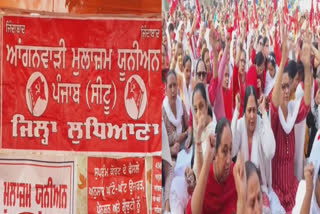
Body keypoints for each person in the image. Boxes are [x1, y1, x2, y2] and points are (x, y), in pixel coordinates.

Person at [270, 26, 312, 212]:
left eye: (288, 87)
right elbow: (275, 101)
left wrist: (307, 66)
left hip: (291, 189)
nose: (286, 91)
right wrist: (282, 62)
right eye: (283, 86)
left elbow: (308, 101)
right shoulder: (274, 116)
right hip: (276, 192)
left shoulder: (294, 112)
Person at [231, 85, 285, 213]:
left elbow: (270, 150)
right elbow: (232, 150)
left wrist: (264, 113)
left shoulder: (261, 124)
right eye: (248, 110)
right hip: (242, 188)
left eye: (254, 110)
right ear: (244, 111)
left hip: (259, 189)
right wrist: (237, 110)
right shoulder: (239, 125)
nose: (251, 116)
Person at [186, 117, 237, 214]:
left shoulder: (235, 175)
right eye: (224, 151)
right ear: (216, 153)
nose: (228, 160)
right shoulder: (206, 176)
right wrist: (208, 157)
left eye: (230, 150)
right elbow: (194, 212)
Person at [162, 70, 189, 212]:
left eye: (175, 86)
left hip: (183, 151)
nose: (173, 90)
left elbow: (189, 126)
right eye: (170, 86)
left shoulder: (181, 104)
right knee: (171, 171)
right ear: (165, 89)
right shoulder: (163, 110)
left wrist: (187, 139)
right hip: (169, 155)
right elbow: (166, 140)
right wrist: (171, 149)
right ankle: (169, 209)